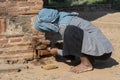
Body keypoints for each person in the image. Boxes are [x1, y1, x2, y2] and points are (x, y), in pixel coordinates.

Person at [34, 8, 114, 73]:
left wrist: (56, 51)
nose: (49, 32)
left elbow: (72, 50)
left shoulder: (64, 26)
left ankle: (86, 64)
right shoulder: (64, 18)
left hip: (103, 53)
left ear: (49, 24)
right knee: (69, 35)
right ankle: (90, 59)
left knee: (70, 31)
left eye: (47, 29)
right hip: (101, 49)